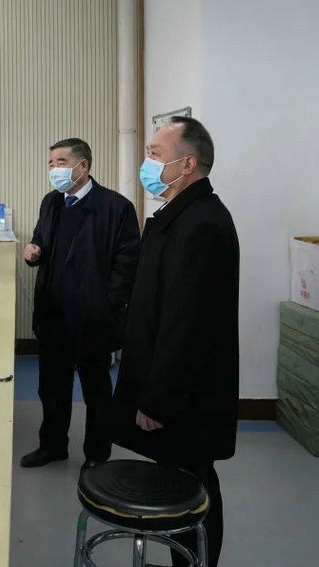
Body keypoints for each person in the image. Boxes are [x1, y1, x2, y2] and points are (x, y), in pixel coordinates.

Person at [111, 116, 238, 567]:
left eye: (155, 154)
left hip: (185, 394)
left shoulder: (203, 224)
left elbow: (187, 325)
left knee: (194, 482)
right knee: (182, 478)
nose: (147, 163)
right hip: (168, 383)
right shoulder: (178, 215)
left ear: (187, 164)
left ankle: (195, 562)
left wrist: (158, 401)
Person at [20, 138, 140, 470]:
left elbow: (128, 264)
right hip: (53, 314)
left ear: (82, 166)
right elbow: (41, 239)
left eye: (61, 162)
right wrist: (33, 252)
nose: (53, 169)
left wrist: (108, 304)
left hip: (92, 319)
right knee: (51, 388)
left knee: (96, 391)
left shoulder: (116, 207)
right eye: (51, 163)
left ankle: (97, 455)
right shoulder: (51, 202)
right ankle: (52, 446)